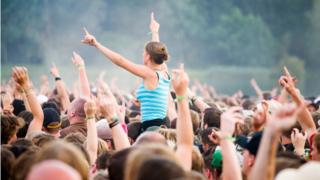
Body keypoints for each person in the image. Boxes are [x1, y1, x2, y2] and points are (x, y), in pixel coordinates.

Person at [82, 13, 171, 130]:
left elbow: (120, 61)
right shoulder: (164, 72)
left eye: (143, 53)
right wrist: (154, 32)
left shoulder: (149, 74)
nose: (142, 55)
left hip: (152, 128)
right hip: (160, 124)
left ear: (148, 56)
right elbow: (156, 50)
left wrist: (97, 44)